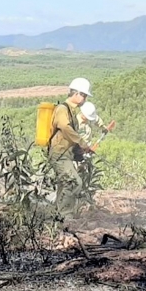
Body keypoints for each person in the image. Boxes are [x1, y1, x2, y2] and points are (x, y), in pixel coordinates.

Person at [48, 77, 94, 214]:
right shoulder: (63, 109)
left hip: (65, 154)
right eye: (84, 96)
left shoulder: (70, 111)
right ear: (77, 94)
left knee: (64, 184)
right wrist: (82, 143)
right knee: (74, 182)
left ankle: (57, 214)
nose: (85, 99)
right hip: (59, 154)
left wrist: (79, 151)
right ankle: (65, 216)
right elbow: (65, 128)